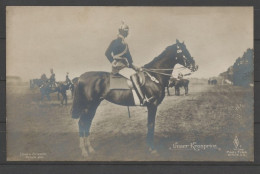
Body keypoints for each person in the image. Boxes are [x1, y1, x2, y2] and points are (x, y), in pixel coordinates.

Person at [105, 22, 147, 105]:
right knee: (134, 75)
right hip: (118, 68)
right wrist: (113, 61)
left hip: (125, 67)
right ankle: (142, 100)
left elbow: (130, 61)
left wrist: (137, 67)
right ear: (124, 32)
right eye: (126, 32)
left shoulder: (125, 44)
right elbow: (107, 53)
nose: (127, 33)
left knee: (136, 73)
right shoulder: (115, 42)